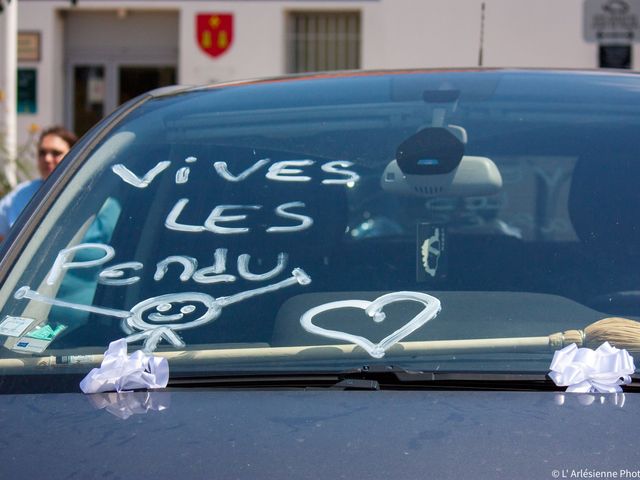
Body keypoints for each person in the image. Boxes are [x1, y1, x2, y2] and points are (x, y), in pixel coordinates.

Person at [0, 125, 77, 241]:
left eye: (56, 153)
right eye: (42, 152)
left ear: (74, 155)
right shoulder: (20, 194)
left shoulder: (88, 192)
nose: (47, 159)